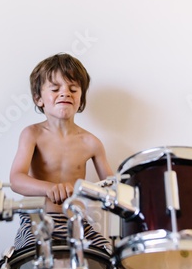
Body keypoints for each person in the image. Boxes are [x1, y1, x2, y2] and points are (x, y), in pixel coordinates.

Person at [9, 53, 114, 252]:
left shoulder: (92, 143)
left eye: (73, 89)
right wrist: (49, 188)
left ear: (80, 98)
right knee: (30, 259)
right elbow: (16, 180)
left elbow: (112, 188)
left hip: (78, 224)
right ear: (38, 99)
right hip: (37, 222)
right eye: (55, 89)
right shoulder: (32, 134)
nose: (65, 93)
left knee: (111, 259)